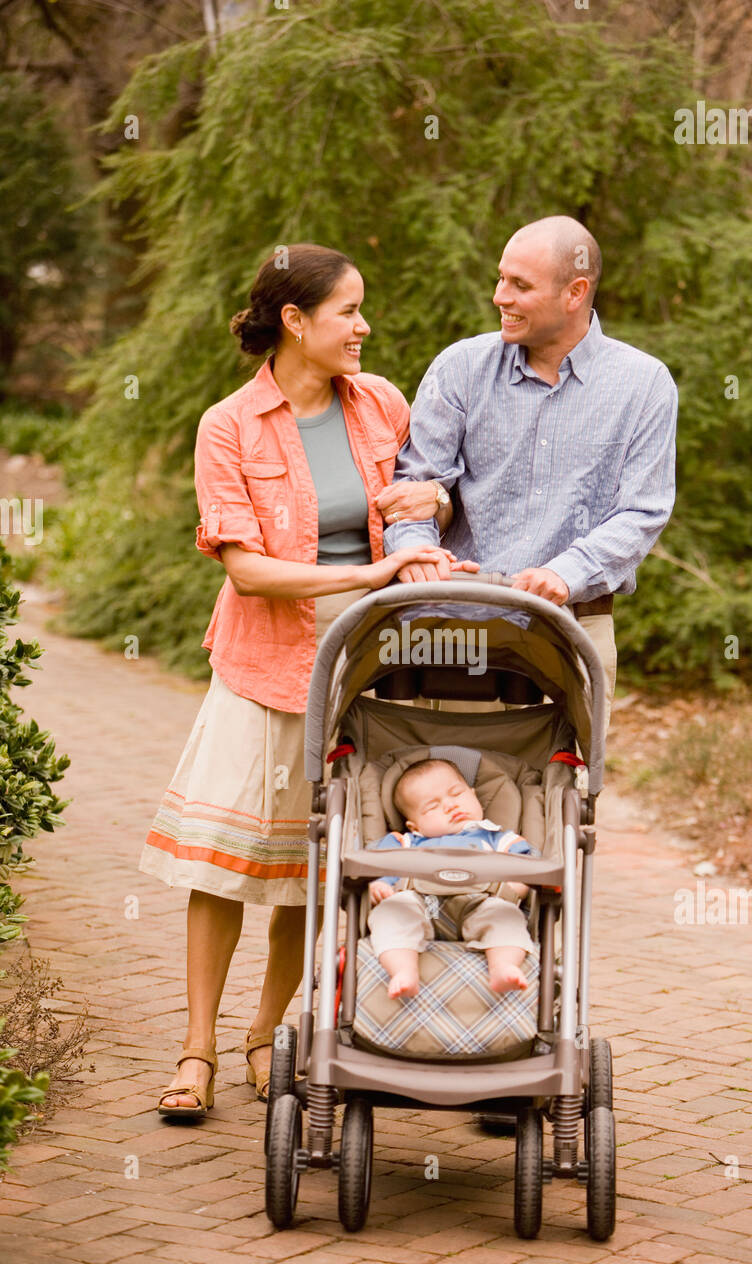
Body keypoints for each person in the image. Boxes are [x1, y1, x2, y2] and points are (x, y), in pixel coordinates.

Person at [140, 244, 462, 1119]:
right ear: (294, 320)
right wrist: (364, 579)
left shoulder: (381, 404)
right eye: (347, 312)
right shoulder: (231, 425)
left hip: (364, 665)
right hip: (261, 666)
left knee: (308, 867)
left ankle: (262, 1038)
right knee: (226, 866)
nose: (364, 328)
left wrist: (425, 513)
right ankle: (196, 1049)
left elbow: (419, 500)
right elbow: (246, 569)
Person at [376, 215, 678, 734]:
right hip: (455, 627)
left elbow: (643, 511)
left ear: (575, 292)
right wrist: (417, 556)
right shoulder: (460, 368)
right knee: (444, 796)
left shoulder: (643, 384)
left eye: (520, 285)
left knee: (556, 800)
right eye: (500, 278)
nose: (499, 296)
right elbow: (416, 488)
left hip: (574, 631)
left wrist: (565, 574)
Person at [366, 760, 536, 999]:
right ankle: (403, 970)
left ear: (474, 795)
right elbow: (381, 866)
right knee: (390, 913)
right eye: (432, 807)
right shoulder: (406, 842)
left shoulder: (501, 839)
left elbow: (527, 869)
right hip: (421, 905)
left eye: (456, 794)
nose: (450, 805)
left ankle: (504, 967)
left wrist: (516, 887)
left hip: (482, 903)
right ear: (415, 825)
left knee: (506, 917)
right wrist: (380, 884)